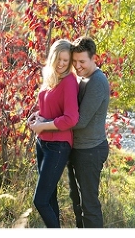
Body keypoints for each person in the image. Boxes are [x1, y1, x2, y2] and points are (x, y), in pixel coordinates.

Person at [27, 39, 79, 228]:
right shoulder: (52, 78)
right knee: (49, 198)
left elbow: (71, 118)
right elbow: (50, 108)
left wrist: (43, 126)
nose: (62, 64)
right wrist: (36, 116)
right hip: (43, 143)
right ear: (53, 57)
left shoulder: (69, 81)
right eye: (59, 59)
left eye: (66, 61)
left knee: (39, 200)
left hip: (58, 146)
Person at [67, 36, 110, 228]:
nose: (77, 65)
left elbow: (80, 121)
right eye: (74, 61)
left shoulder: (97, 82)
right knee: (77, 201)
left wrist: (47, 123)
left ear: (94, 58)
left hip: (90, 151)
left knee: (89, 205)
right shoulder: (83, 78)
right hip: (78, 149)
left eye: (82, 61)